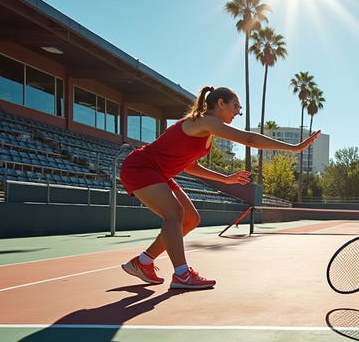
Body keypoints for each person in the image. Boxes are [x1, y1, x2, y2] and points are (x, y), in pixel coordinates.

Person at [120, 86, 319, 290]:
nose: (238, 112)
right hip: (140, 167)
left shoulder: (207, 131)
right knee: (175, 214)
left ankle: (143, 262)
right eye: (235, 106)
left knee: (191, 218)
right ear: (221, 103)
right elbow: (249, 139)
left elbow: (190, 166)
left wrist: (226, 178)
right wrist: (294, 148)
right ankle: (182, 274)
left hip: (160, 173)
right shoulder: (204, 121)